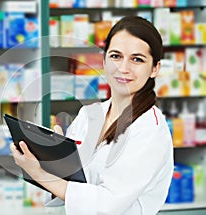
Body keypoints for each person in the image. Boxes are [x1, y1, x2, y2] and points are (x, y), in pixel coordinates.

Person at [10, 16, 174, 215]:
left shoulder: (150, 130)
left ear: (155, 68)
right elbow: (72, 185)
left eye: (137, 59)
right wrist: (53, 158)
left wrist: (40, 174)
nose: (123, 68)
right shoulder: (90, 115)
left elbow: (106, 205)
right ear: (104, 60)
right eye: (115, 56)